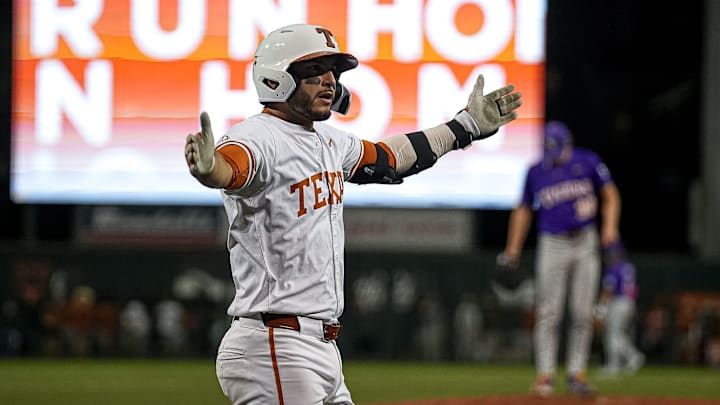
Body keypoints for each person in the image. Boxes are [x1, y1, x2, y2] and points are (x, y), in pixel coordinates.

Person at [184, 23, 522, 405]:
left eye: (334, 72)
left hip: (319, 347)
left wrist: (466, 126)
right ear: (277, 78)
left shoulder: (329, 141)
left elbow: (393, 159)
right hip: (274, 343)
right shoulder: (257, 136)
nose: (330, 81)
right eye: (315, 71)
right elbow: (232, 169)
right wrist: (210, 169)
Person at [499, 120, 621, 397]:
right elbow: (523, 209)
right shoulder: (535, 170)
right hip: (552, 242)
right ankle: (545, 375)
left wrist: (610, 228)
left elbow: (611, 195)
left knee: (581, 312)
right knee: (548, 312)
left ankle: (577, 374)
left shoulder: (587, 161)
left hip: (585, 240)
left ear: (568, 144)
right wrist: (512, 250)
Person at [596, 240, 644, 376]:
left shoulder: (613, 269)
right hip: (629, 302)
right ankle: (627, 359)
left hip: (618, 302)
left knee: (613, 334)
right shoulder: (629, 267)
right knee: (619, 334)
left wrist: (601, 309)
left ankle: (620, 362)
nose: (608, 256)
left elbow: (608, 290)